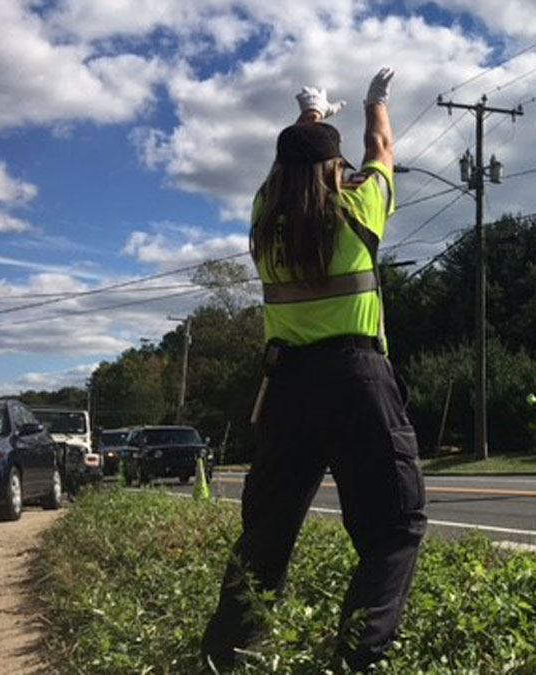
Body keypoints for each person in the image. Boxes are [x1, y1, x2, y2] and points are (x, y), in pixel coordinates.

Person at [201, 67, 425, 673]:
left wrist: (312, 114)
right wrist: (376, 104)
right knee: (394, 528)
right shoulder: (359, 207)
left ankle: (225, 656)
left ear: (278, 173)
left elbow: (298, 162)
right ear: (335, 169)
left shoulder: (261, 221)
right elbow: (378, 148)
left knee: (265, 537)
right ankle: (355, 660)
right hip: (357, 382)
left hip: (285, 390)